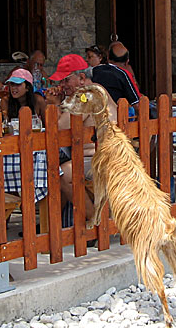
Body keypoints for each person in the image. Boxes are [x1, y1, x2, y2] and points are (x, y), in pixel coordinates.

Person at [46, 54, 118, 223]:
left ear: (81, 78)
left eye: (65, 80)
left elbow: (59, 128)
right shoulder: (96, 89)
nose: (62, 86)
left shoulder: (87, 96)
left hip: (101, 159)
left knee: (62, 174)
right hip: (103, 155)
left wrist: (53, 103)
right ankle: (59, 223)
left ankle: (96, 220)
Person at [90, 42, 140, 111]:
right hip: (116, 117)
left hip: (96, 114)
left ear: (108, 57)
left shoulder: (95, 71)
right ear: (127, 61)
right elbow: (136, 104)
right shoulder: (123, 74)